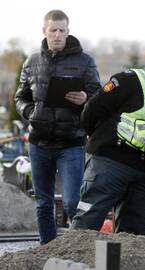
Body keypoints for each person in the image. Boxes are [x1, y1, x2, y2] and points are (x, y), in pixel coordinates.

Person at [71, 47, 145, 236]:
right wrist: (103, 142)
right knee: (87, 221)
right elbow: (92, 110)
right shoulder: (129, 81)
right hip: (111, 164)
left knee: (133, 236)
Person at [14, 10, 101, 245]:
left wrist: (85, 99)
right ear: (44, 31)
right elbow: (19, 98)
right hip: (38, 143)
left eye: (62, 30)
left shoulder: (85, 61)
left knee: (73, 202)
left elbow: (99, 96)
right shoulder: (31, 62)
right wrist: (30, 113)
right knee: (43, 203)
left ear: (68, 31)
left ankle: (77, 247)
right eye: (53, 30)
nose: (58, 35)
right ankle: (48, 248)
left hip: (71, 143)